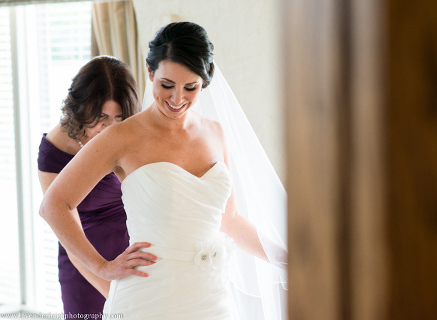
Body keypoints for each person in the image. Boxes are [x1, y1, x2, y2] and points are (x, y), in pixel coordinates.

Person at [40, 22, 287, 320]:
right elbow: (54, 204)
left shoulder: (216, 134)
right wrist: (101, 266)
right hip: (148, 298)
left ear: (205, 81)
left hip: (210, 298)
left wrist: (286, 259)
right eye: (167, 85)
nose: (177, 99)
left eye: (190, 87)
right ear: (149, 72)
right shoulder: (121, 138)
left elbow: (229, 220)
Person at [37, 55, 139, 318]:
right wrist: (111, 291)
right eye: (100, 117)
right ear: (80, 108)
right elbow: (67, 234)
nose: (109, 128)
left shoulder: (130, 133)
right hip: (84, 260)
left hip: (134, 249)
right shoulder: (54, 152)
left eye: (118, 117)